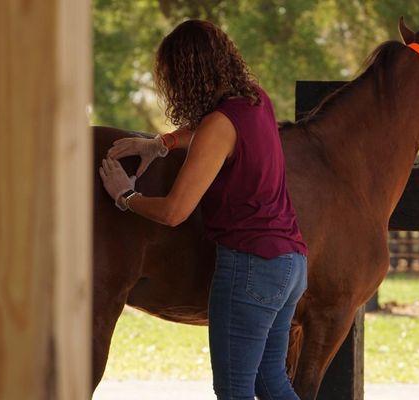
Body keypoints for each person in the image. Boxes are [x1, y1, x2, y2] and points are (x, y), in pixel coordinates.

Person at [99, 19, 308, 400]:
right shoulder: (256, 101)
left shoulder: (218, 123)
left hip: (251, 267)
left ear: (186, 75)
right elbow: (219, 139)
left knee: (234, 390)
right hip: (289, 264)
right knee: (271, 382)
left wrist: (124, 196)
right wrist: (160, 143)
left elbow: (174, 212)